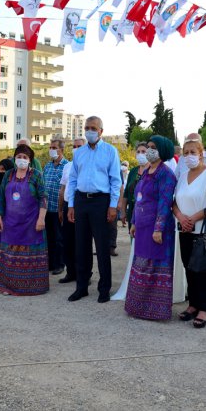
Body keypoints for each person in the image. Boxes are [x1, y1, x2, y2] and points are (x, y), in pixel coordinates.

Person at [67, 116, 122, 303]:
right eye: (87, 127)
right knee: (81, 246)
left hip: (101, 201)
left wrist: (113, 206)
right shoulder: (79, 153)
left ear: (101, 131)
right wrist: (71, 205)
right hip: (81, 200)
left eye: (93, 128)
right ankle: (81, 287)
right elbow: (73, 179)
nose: (89, 131)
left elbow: (116, 180)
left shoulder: (110, 151)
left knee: (102, 247)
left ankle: (104, 288)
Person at [173, 137, 206, 328]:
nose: (188, 156)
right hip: (185, 229)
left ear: (201, 154)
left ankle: (204, 309)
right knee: (189, 268)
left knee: (202, 270)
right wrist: (181, 217)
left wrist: (193, 218)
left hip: (204, 231)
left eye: (192, 152)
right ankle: (193, 305)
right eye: (185, 153)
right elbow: (175, 202)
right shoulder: (183, 176)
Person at [125, 136, 177, 320]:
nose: (149, 150)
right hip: (142, 225)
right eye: (148, 147)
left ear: (162, 151)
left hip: (157, 228)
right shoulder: (147, 171)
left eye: (153, 147)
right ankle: (137, 307)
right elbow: (138, 197)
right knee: (141, 265)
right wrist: (133, 222)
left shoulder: (166, 174)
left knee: (154, 267)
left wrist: (158, 229)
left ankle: (155, 310)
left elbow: (165, 203)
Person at [0, 144, 49, 296]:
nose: (21, 160)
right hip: (10, 223)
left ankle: (31, 287)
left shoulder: (36, 175)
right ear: (14, 158)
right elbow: (1, 198)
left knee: (31, 254)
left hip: (31, 223)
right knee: (10, 255)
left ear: (30, 160)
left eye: (25, 157)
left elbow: (43, 197)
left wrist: (41, 219)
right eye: (19, 157)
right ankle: (8, 286)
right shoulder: (8, 175)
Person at [58, 137, 86, 284]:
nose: (76, 148)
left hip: (82, 207)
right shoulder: (68, 166)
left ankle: (84, 274)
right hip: (68, 206)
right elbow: (63, 188)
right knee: (67, 242)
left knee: (82, 243)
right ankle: (71, 272)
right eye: (74, 146)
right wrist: (60, 209)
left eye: (79, 146)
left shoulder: (88, 164)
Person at [43, 139, 69, 275]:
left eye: (54, 147)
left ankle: (60, 264)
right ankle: (51, 263)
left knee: (59, 238)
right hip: (46, 209)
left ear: (61, 150)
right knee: (49, 238)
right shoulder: (47, 166)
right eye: (50, 147)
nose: (51, 149)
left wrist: (61, 209)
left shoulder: (67, 165)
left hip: (58, 208)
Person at [121, 142, 149, 230]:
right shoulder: (133, 171)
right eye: (138, 152)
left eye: (143, 151)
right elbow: (126, 194)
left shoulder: (152, 171)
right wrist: (123, 211)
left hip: (147, 214)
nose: (140, 154)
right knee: (133, 241)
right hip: (132, 213)